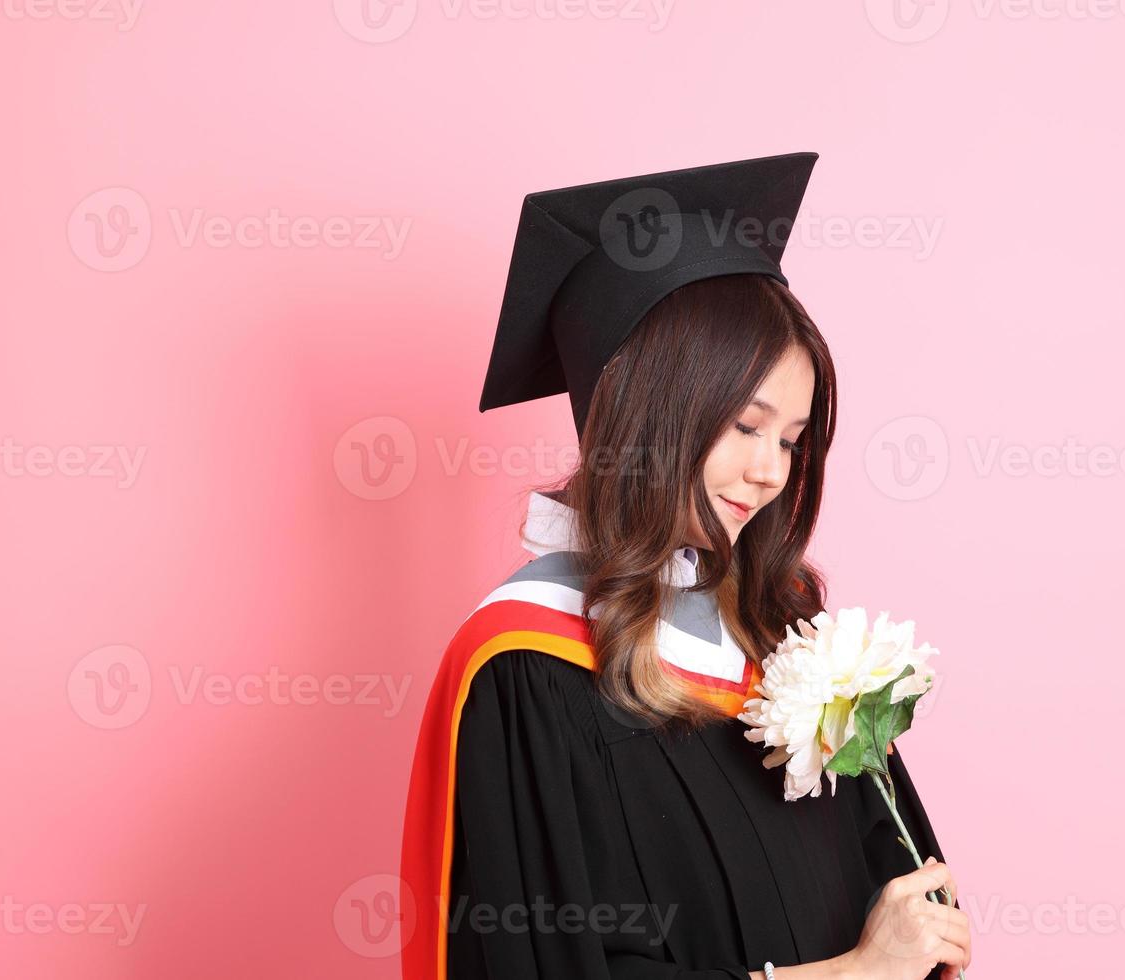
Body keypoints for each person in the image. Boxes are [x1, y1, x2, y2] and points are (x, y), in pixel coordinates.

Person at [400, 154, 972, 980]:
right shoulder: (527, 669)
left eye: (791, 440)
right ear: (648, 414)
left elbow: (906, 902)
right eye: (746, 425)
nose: (773, 473)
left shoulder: (788, 636)